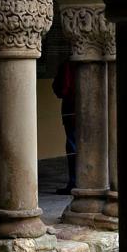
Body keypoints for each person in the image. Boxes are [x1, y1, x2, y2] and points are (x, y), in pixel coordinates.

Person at [52, 58, 76, 194]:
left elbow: (62, 89)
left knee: (73, 148)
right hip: (90, 112)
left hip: (72, 112)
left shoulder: (68, 65)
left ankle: (75, 182)